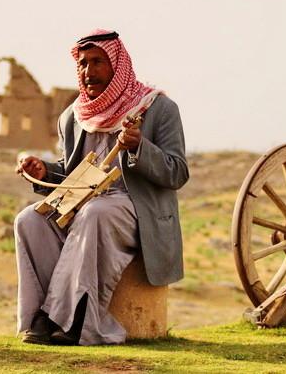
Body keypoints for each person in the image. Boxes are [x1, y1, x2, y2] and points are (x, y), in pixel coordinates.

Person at [14, 29, 188, 345]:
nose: (88, 72)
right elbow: (69, 174)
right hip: (81, 203)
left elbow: (177, 173)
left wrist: (139, 148)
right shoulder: (73, 116)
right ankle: (40, 319)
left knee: (95, 212)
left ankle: (69, 321)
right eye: (82, 63)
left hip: (135, 208)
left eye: (97, 62)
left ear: (117, 64)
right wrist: (42, 170)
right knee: (29, 220)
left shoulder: (157, 108)